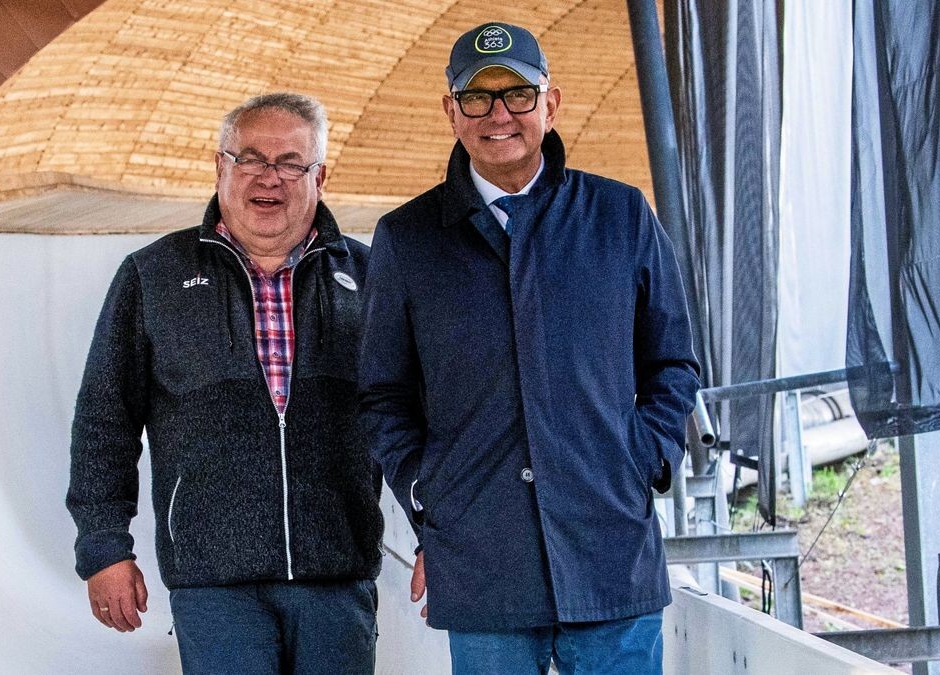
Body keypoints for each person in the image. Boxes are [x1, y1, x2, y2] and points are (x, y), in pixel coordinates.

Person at [358, 22, 701, 674]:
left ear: (552, 101)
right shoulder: (407, 240)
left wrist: (641, 456)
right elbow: (383, 393)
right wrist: (428, 494)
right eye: (477, 97)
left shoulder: (621, 215)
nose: (498, 115)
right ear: (450, 111)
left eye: (517, 93)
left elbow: (673, 362)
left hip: (610, 553)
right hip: (482, 564)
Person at [67, 92, 382, 675]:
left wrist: (438, 541)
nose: (270, 178)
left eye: (291, 163)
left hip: (338, 575)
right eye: (251, 159)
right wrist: (104, 546)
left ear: (321, 176)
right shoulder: (152, 275)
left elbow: (410, 418)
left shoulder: (372, 277)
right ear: (220, 166)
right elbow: (104, 423)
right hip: (213, 582)